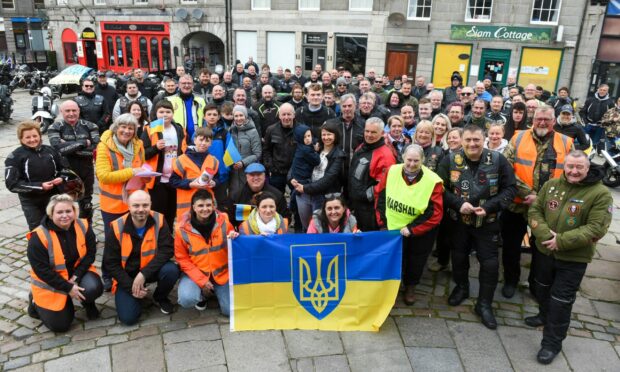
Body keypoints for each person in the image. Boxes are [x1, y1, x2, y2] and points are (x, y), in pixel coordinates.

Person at [526, 151, 612, 365]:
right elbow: (535, 211)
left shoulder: (600, 194)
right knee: (542, 288)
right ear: (564, 166)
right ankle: (543, 316)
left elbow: (596, 228)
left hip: (573, 258)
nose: (574, 171)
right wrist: (547, 236)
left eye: (579, 167)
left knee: (561, 301)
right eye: (570, 166)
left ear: (587, 167)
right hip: (545, 251)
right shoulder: (551, 185)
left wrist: (561, 241)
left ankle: (551, 344)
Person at [438, 125, 517, 329]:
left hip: (487, 223)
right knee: (459, 257)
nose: (472, 144)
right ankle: (462, 287)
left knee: (490, 264)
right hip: (458, 222)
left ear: (484, 140)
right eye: (468, 140)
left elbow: (510, 188)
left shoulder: (498, 160)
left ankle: (484, 304)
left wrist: (490, 206)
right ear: (461, 141)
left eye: (476, 140)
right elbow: (439, 188)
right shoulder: (449, 160)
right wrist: (457, 203)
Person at [501, 106, 574, 299]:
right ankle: (510, 280)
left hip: (549, 208)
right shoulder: (517, 138)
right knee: (511, 245)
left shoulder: (566, 143)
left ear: (554, 121)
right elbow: (506, 169)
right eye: (539, 119)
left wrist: (541, 198)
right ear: (533, 120)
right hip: (517, 203)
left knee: (542, 248)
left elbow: (572, 174)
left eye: (547, 120)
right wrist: (528, 192)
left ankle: (536, 283)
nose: (542, 123)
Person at [27, 194, 103, 331]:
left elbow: (90, 254)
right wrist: (68, 287)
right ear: (51, 214)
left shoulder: (83, 225)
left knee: (93, 288)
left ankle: (88, 302)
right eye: (59, 212)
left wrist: (76, 277)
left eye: (68, 211)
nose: (65, 215)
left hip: (75, 273)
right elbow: (42, 271)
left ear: (74, 211)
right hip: (51, 281)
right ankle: (35, 303)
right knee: (60, 326)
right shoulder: (38, 237)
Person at [379, 144, 443, 305]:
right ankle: (394, 286)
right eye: (409, 160)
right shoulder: (392, 171)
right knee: (395, 259)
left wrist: (413, 229)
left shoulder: (432, 180)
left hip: (419, 230)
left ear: (423, 160)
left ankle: (411, 287)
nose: (412, 164)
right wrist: (383, 223)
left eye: (416, 161)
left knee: (416, 259)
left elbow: (435, 213)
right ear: (403, 158)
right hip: (393, 228)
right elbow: (380, 196)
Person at [104, 190, 180, 324]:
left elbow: (167, 250)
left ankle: (160, 297)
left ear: (150, 205)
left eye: (145, 205)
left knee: (171, 270)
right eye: (136, 205)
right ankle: (137, 295)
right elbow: (111, 263)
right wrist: (130, 287)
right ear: (128, 206)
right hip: (127, 276)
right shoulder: (116, 227)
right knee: (128, 319)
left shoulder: (159, 219)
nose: (141, 209)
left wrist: (143, 274)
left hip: (150, 270)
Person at [96, 114, 149, 291]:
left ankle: (130, 272)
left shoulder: (138, 145)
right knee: (112, 242)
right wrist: (132, 172)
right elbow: (103, 176)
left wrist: (145, 176)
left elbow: (141, 166)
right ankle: (107, 275)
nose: (126, 131)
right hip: (113, 204)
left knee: (133, 240)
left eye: (131, 128)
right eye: (123, 127)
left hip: (134, 203)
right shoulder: (104, 147)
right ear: (115, 128)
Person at [175, 189, 237, 315]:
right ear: (193, 207)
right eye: (200, 205)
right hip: (196, 273)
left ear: (214, 206)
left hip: (222, 274)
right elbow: (182, 258)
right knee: (187, 299)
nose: (205, 209)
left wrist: (235, 238)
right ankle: (201, 295)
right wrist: (201, 281)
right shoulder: (181, 229)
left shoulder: (224, 222)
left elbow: (233, 246)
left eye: (208, 205)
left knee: (229, 312)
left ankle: (215, 292)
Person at [5, 121, 67, 230]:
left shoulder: (50, 150)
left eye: (35, 136)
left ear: (40, 135)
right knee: (38, 230)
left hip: (53, 196)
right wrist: (40, 186)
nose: (32, 139)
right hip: (31, 201)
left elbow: (66, 169)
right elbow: (12, 184)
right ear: (21, 139)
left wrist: (61, 178)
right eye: (27, 137)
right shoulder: (14, 157)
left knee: (57, 226)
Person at [48, 101, 100, 222]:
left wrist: (67, 146)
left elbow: (95, 148)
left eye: (74, 110)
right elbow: (57, 149)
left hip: (87, 171)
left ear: (79, 111)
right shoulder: (54, 127)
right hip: (66, 172)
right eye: (67, 111)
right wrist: (82, 143)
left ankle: (88, 232)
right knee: (65, 205)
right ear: (61, 112)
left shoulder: (91, 126)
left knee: (86, 205)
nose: (71, 113)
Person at [291, 122, 346, 230]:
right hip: (304, 195)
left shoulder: (339, 155)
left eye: (329, 134)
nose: (326, 137)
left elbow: (328, 179)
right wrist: (291, 178)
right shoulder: (312, 148)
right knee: (306, 227)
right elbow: (295, 163)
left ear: (335, 135)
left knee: (320, 228)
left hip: (322, 196)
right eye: (324, 134)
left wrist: (305, 188)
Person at [141, 100, 187, 229]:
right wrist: (156, 147)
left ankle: (168, 238)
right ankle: (157, 236)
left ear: (173, 113)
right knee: (157, 213)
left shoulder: (179, 129)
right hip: (157, 180)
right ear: (156, 113)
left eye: (168, 111)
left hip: (175, 178)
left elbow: (184, 151)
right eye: (161, 112)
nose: (165, 114)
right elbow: (142, 154)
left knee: (171, 213)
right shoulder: (150, 128)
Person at [349, 117, 396, 231]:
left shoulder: (385, 156)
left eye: (373, 132)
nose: (369, 135)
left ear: (382, 133)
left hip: (370, 211)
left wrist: (365, 195)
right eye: (367, 131)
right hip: (356, 205)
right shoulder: (362, 146)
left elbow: (384, 186)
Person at [169, 127, 219, 220]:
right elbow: (173, 181)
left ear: (211, 143)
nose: (203, 143)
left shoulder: (214, 161)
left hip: (206, 208)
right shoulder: (181, 160)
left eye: (207, 141)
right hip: (186, 208)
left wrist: (214, 183)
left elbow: (217, 178)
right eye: (201, 140)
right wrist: (190, 184)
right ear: (195, 140)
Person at [262, 103, 297, 193]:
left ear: (294, 115)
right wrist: (270, 167)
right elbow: (266, 150)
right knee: (276, 198)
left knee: (296, 199)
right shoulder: (271, 130)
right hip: (277, 172)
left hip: (295, 172)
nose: (286, 117)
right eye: (283, 114)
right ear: (279, 116)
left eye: (289, 114)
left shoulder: (300, 130)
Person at [229, 105, 262, 196]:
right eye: (236, 116)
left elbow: (257, 153)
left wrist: (243, 162)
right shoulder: (231, 130)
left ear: (245, 116)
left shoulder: (253, 132)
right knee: (234, 195)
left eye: (241, 115)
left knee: (247, 195)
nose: (239, 118)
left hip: (247, 170)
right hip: (234, 171)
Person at [167, 75, 207, 145]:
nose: (186, 85)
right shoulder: (169, 100)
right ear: (178, 85)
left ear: (193, 85)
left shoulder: (201, 100)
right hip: (177, 139)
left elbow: (206, 118)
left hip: (198, 139)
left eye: (189, 83)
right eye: (183, 83)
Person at [580, 84, 615, 152]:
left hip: (600, 127)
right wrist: (585, 122)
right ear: (598, 90)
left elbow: (611, 115)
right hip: (588, 125)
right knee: (584, 142)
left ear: (607, 91)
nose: (602, 91)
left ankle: (589, 159)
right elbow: (582, 112)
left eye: (604, 90)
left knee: (594, 144)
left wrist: (604, 125)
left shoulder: (610, 102)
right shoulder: (590, 99)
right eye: (601, 90)